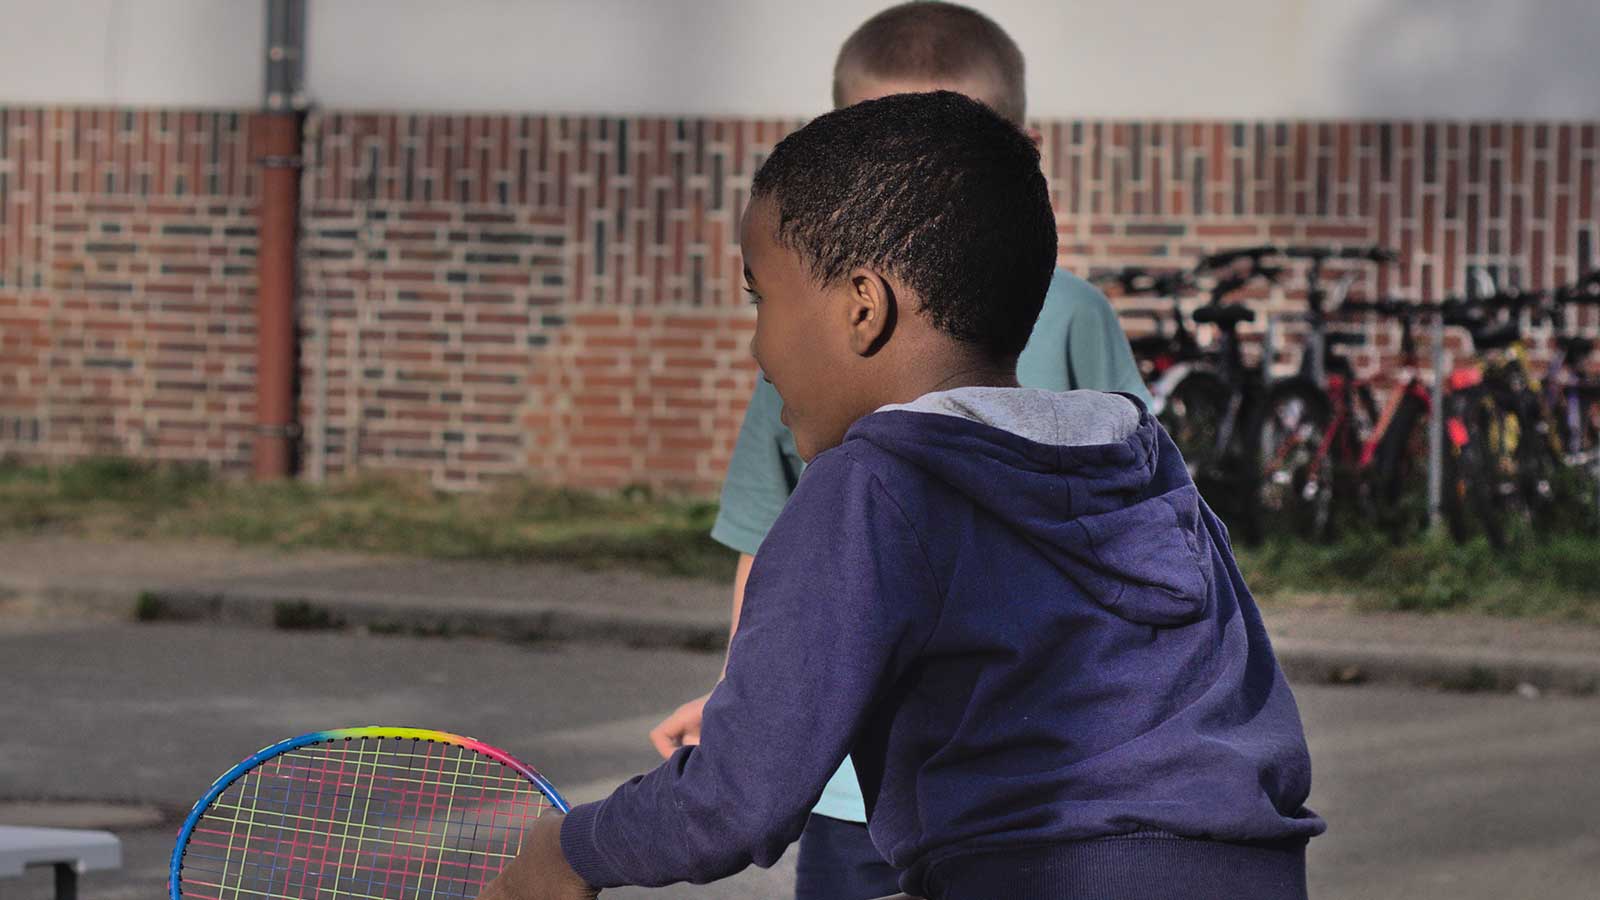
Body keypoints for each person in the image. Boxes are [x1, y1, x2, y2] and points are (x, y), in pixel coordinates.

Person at [478, 90, 1323, 900]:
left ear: (862, 308)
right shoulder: (1138, 457)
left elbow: (734, 803)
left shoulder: (873, 485)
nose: (756, 347)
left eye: (759, 297)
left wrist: (567, 848)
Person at [650, 5, 1151, 896]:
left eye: (950, 146)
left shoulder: (1071, 316)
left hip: (1025, 790)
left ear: (1020, 154)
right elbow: (771, 544)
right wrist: (745, 706)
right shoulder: (806, 345)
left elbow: (1134, 518)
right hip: (853, 791)